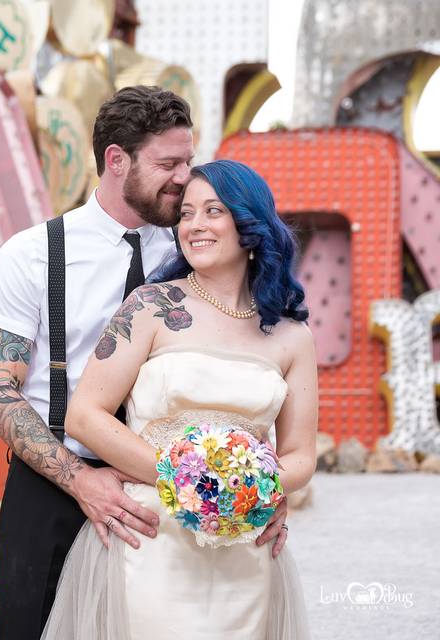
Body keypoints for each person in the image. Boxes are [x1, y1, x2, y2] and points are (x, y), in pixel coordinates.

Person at [0, 87, 290, 639]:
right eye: (168, 164)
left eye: (187, 161)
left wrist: (259, 490)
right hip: (52, 484)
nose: (183, 177)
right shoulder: (31, 254)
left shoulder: (200, 243)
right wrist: (80, 480)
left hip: (174, 504)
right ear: (116, 160)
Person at [40, 159, 317, 638]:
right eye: (186, 214)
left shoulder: (292, 336)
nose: (195, 225)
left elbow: (300, 456)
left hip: (243, 545)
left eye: (213, 211)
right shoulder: (150, 308)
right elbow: (85, 416)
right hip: (149, 535)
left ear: (249, 225)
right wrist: (185, 480)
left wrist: (249, 490)